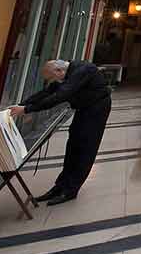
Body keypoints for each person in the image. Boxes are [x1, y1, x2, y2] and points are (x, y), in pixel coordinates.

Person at [9, 59, 112, 205]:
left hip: (96, 109)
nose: (54, 81)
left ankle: (71, 189)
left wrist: (27, 110)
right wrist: (22, 105)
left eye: (53, 78)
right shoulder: (67, 74)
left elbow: (59, 96)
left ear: (59, 71)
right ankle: (60, 186)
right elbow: (47, 92)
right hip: (84, 108)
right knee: (73, 145)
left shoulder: (82, 71)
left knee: (85, 148)